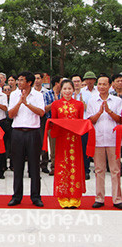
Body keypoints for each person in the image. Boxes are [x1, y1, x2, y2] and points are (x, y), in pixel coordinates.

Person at [47, 79, 89, 208]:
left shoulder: (79, 105)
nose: (67, 91)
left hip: (75, 140)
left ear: (73, 90)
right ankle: (63, 195)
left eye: (69, 89)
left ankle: (75, 196)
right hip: (61, 139)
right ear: (61, 90)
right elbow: (54, 122)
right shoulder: (56, 105)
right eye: (64, 89)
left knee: (75, 166)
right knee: (62, 165)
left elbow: (81, 122)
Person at [7, 71, 45, 207]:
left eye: (22, 80)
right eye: (18, 80)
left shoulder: (38, 95)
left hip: (33, 132)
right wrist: (19, 103)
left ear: (29, 82)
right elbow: (10, 114)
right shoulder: (13, 94)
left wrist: (27, 104)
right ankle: (16, 196)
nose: (19, 82)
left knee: (34, 166)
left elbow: (41, 112)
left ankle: (36, 197)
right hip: (17, 132)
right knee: (17, 166)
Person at [87, 74, 122, 209]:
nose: (102, 87)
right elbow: (90, 120)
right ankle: (99, 198)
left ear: (110, 86)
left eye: (104, 84)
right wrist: (100, 112)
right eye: (99, 84)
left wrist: (109, 111)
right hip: (98, 139)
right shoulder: (92, 101)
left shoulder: (117, 101)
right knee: (99, 169)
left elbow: (119, 119)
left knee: (115, 170)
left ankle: (117, 199)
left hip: (113, 139)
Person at [43, 75, 62, 175]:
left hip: (63, 123)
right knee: (53, 146)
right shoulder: (47, 94)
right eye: (61, 82)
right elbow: (44, 109)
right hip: (52, 123)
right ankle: (54, 167)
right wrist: (55, 103)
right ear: (56, 84)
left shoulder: (64, 94)